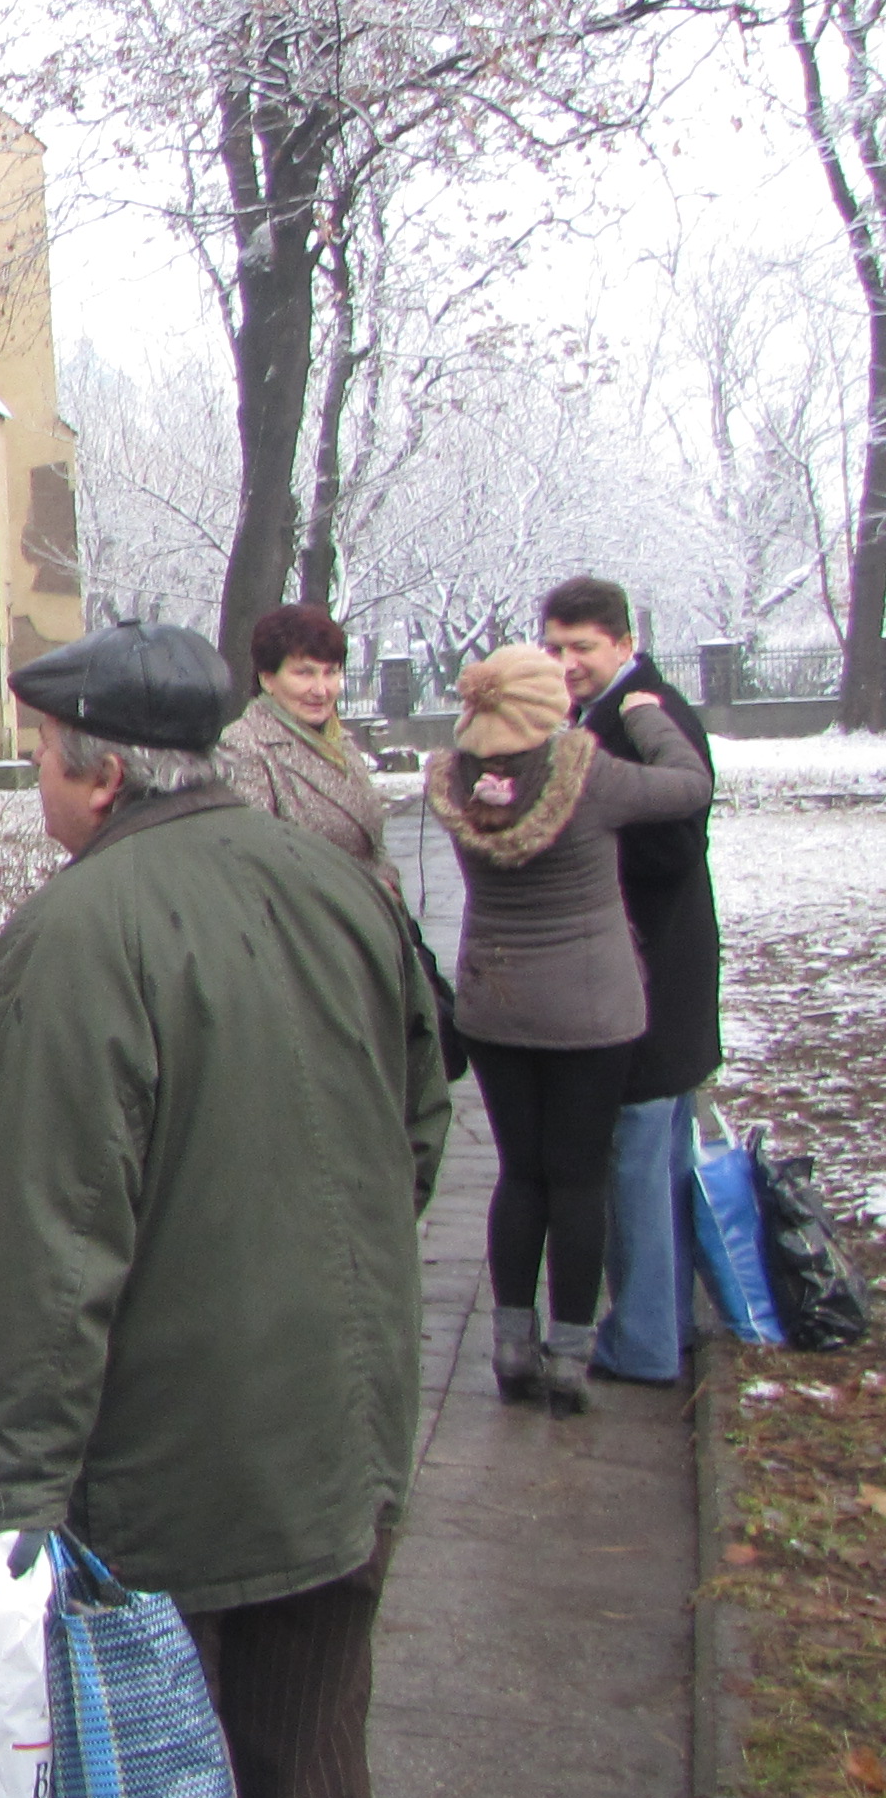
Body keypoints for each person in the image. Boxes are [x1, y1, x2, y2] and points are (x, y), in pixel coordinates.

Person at [0, 621, 448, 1798]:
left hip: (167, 1485)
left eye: (42, 758)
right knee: (312, 1796)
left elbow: (47, 1261)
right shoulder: (341, 885)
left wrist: (8, 1510)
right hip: (342, 1443)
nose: (37, 784)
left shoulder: (76, 938)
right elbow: (419, 1125)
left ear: (98, 775)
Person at [430, 641, 715, 1413]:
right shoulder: (589, 776)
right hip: (590, 1013)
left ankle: (510, 1350)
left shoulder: (452, 779)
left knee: (521, 1177)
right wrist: (648, 717)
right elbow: (688, 787)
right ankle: (568, 1359)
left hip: (495, 1005)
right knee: (578, 1180)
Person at [537, 577, 722, 1387]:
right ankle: (661, 1325)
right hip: (658, 971)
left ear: (622, 643)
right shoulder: (613, 712)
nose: (567, 663)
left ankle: (643, 1340)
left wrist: (583, 852)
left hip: (649, 976)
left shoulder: (644, 713)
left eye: (582, 648)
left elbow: (673, 846)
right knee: (656, 1157)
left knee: (638, 1160)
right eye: (555, 648)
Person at [214, 602, 405, 916]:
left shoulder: (337, 739)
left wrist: (386, 884)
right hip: (312, 939)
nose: (321, 689)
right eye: (304, 673)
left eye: (331, 672)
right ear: (268, 679)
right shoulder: (245, 746)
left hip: (371, 928)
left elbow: (372, 844)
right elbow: (254, 867)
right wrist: (361, 894)